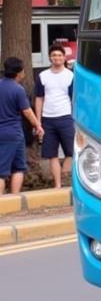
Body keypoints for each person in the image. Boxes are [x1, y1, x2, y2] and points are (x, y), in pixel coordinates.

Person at [0, 56, 44, 196]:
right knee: (5, 171)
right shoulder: (18, 89)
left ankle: (12, 201)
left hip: (8, 133)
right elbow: (27, 111)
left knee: (19, 167)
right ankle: (9, 199)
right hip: (12, 132)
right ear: (19, 72)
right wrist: (38, 125)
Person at [35, 42, 75, 187]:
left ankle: (65, 174)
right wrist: (38, 122)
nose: (57, 58)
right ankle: (57, 185)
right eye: (54, 55)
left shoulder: (70, 75)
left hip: (66, 117)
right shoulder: (42, 76)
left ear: (64, 57)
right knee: (51, 155)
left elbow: (74, 99)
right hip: (47, 119)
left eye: (59, 55)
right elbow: (39, 98)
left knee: (72, 152)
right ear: (50, 58)